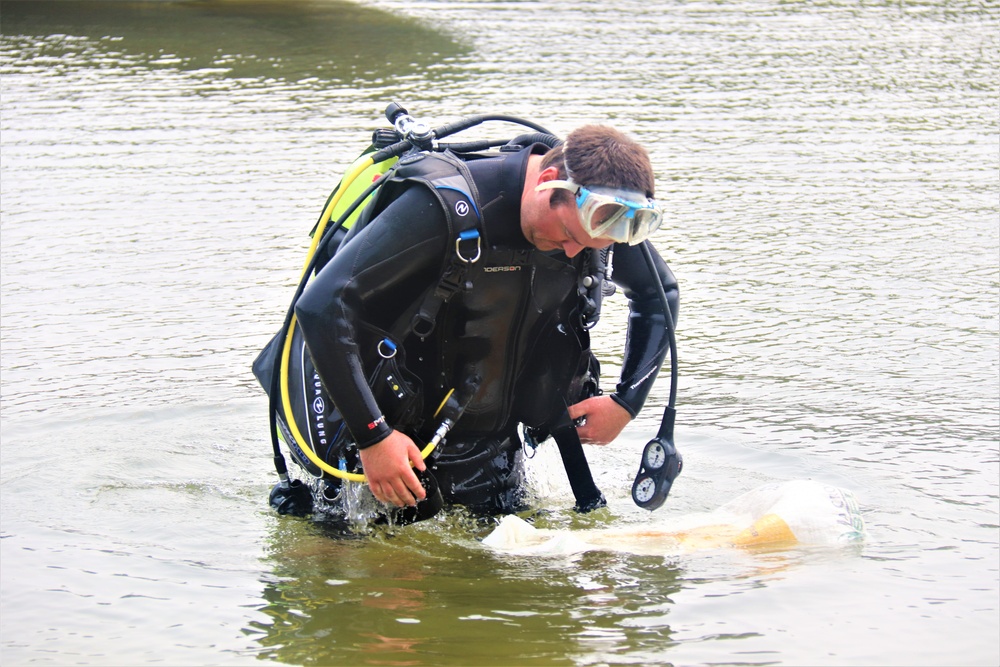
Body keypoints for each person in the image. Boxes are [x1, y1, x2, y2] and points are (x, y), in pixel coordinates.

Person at [292, 124, 678, 517]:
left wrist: (626, 402)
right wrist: (373, 437)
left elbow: (658, 294)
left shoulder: (596, 220)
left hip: (491, 449)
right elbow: (322, 305)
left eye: (589, 246)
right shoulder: (445, 205)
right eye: (566, 233)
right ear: (547, 182)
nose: (572, 250)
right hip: (378, 435)